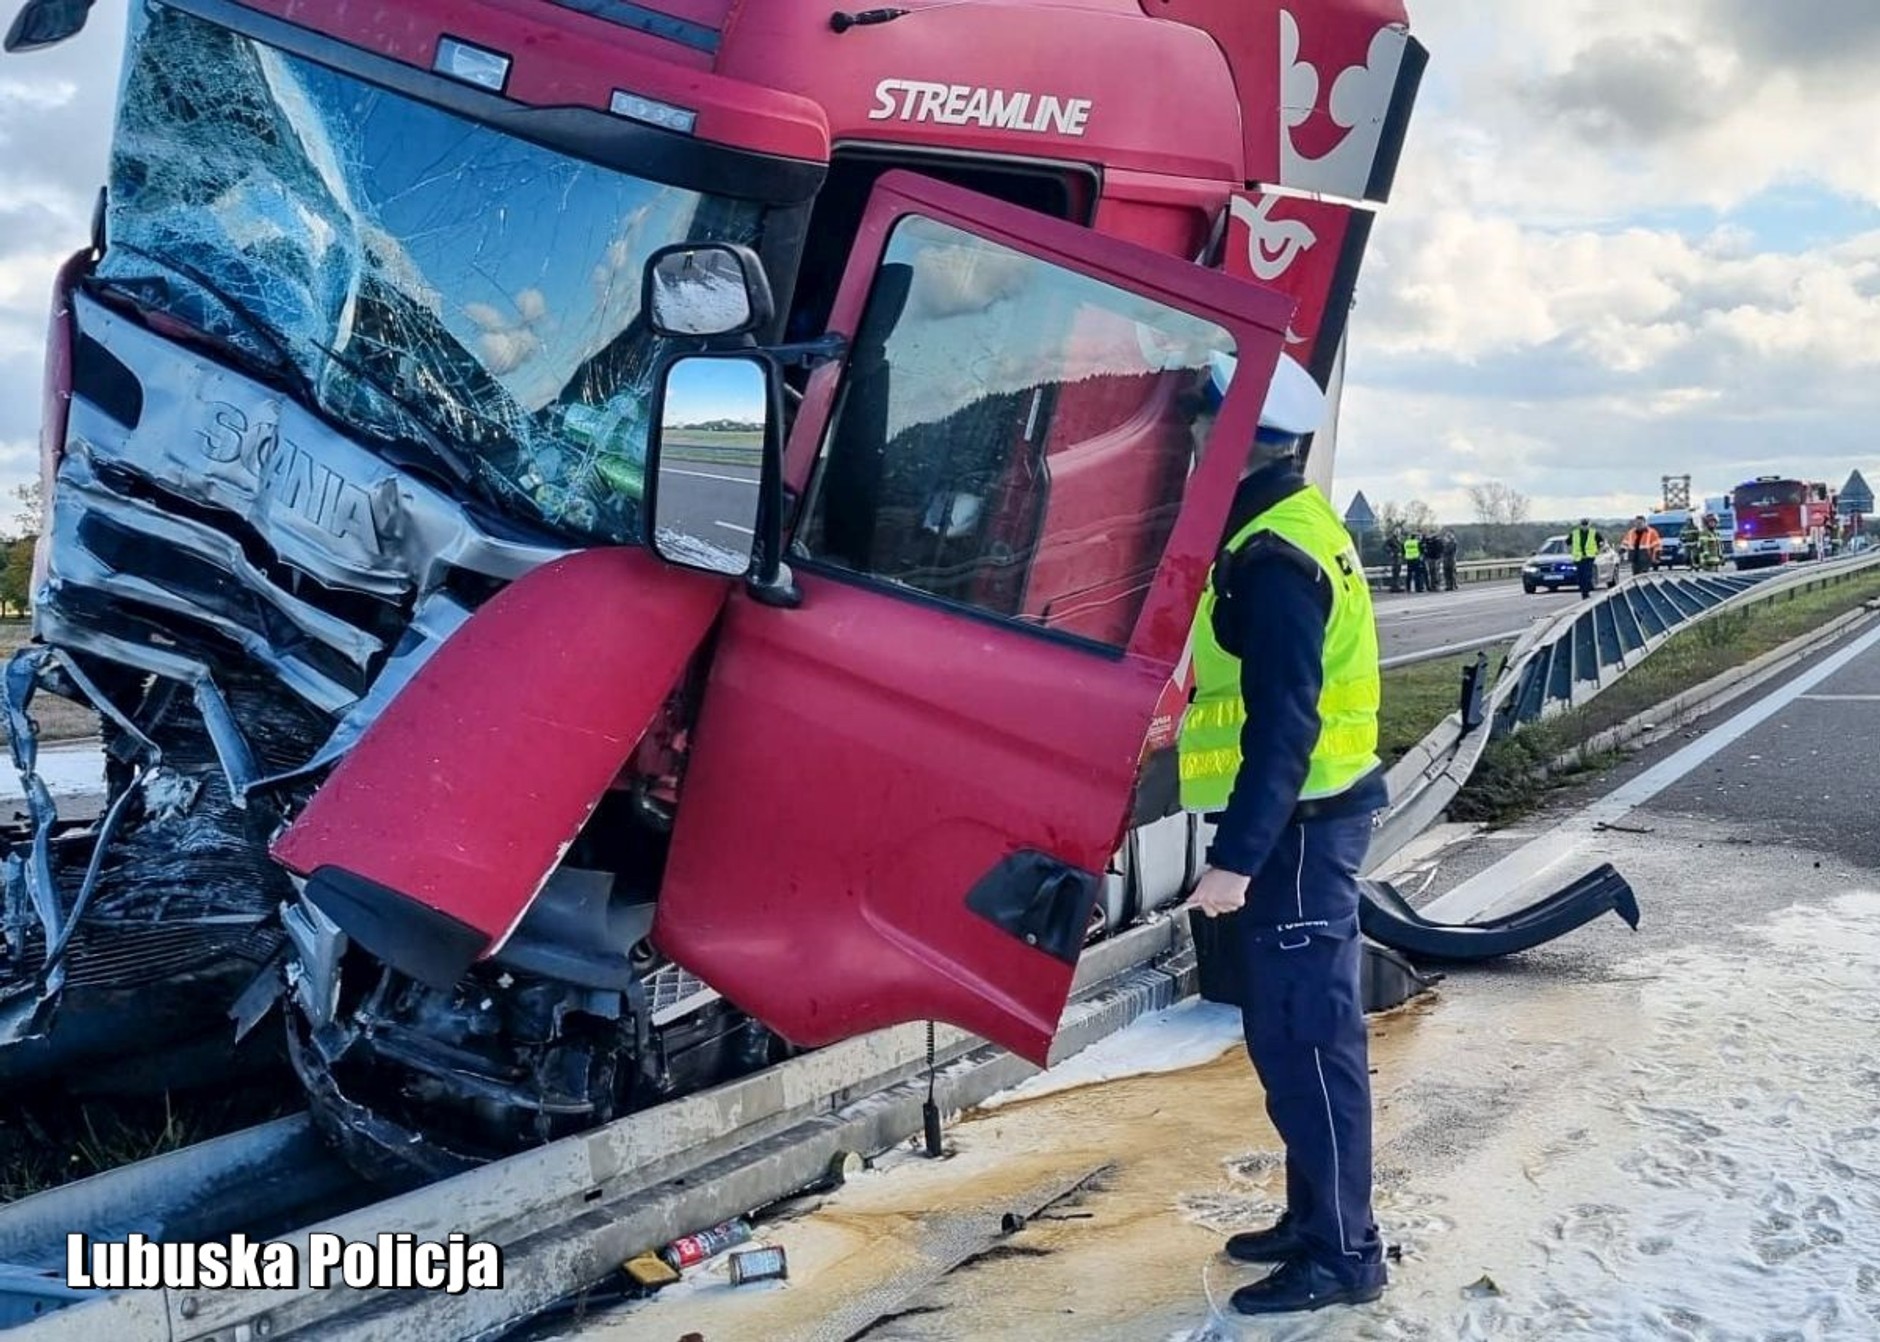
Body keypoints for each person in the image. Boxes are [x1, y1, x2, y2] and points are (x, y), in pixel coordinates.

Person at [1179, 351, 1389, 1315]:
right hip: (1311, 828)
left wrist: (1234, 863)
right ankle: (1315, 1223)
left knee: (1309, 1042)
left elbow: (1285, 726)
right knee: (1296, 1037)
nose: (1185, 440)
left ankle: (1346, 1256)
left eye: (1198, 427)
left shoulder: (1271, 560)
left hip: (1300, 836)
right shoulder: (1291, 527)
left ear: (1236, 442)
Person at [1570, 518, 1602, 598]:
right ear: (1580, 525)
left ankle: (1586, 592)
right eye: (1583, 525)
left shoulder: (1594, 533)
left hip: (1589, 558)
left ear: (1589, 525)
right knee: (1580, 577)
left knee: (1587, 576)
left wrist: (1598, 550)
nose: (1584, 527)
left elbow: (1601, 542)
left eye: (1586, 525)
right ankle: (1583, 592)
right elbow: (1568, 542)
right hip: (1579, 558)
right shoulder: (1574, 533)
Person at [1385, 527, 1404, 593]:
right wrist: (1391, 552)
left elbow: (1401, 547)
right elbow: (1385, 546)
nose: (1398, 533)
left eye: (1399, 531)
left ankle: (1396, 586)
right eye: (1397, 531)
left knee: (1397, 572)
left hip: (1399, 558)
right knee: (1395, 572)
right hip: (1394, 558)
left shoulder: (1399, 539)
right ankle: (1393, 587)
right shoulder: (1391, 539)